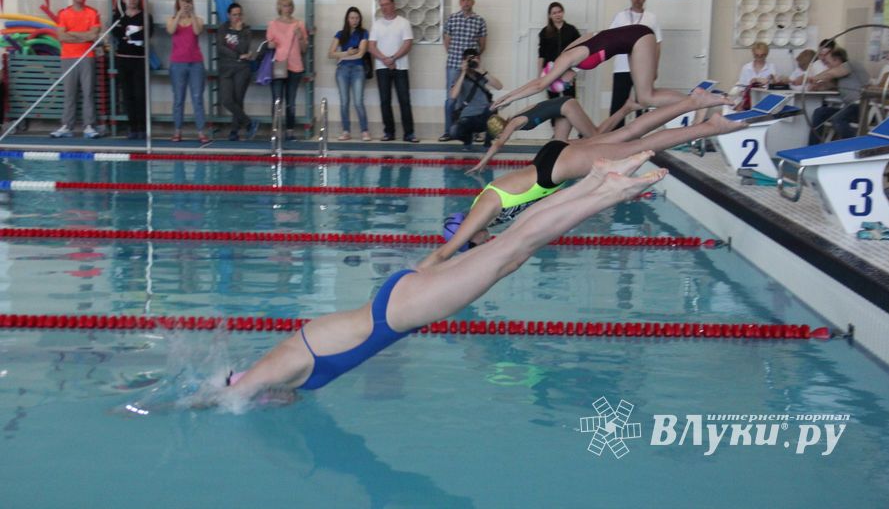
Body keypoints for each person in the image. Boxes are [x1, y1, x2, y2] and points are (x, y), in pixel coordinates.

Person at [222, 154, 668, 399]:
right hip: (397, 304)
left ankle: (607, 192)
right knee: (508, 251)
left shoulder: (272, 368)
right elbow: (271, 396)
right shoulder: (282, 376)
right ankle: (592, 182)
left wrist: (177, 405)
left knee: (510, 249)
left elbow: (226, 398)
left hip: (396, 313)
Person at [421, 88, 739, 266]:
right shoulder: (486, 218)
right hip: (552, 159)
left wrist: (418, 274)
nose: (478, 246)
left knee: (638, 145)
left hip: (556, 167)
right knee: (630, 132)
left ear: (466, 232)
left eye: (471, 245)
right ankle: (693, 102)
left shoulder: (483, 209)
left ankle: (708, 127)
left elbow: (444, 253)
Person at [491, 24, 686, 112]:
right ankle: (693, 103)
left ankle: (695, 102)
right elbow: (598, 35)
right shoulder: (570, 57)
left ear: (559, 76)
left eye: (563, 83)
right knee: (639, 98)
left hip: (639, 38)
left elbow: (539, 85)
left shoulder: (567, 58)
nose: (568, 84)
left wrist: (507, 99)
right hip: (634, 39)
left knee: (646, 97)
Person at [470, 96, 621, 174]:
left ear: (500, 131)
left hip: (566, 106)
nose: (501, 137)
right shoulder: (515, 117)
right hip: (560, 110)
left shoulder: (512, 124)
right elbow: (538, 107)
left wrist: (482, 162)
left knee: (595, 135)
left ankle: (626, 108)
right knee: (560, 146)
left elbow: (499, 144)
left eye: (499, 135)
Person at [51, 0, 102, 139]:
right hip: (68, 57)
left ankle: (89, 126)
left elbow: (93, 36)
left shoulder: (93, 13)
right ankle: (67, 125)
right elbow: (61, 36)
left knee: (88, 93)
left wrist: (72, 34)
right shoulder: (64, 14)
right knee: (70, 94)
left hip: (87, 56)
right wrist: (83, 35)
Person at [607, 0, 662, 126]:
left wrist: (654, 68)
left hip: (644, 70)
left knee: (643, 104)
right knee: (618, 105)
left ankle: (639, 138)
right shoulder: (621, 17)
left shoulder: (651, 18)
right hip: (622, 68)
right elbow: (610, 38)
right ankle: (614, 140)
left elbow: (657, 44)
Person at [369, 0, 417, 142]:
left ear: (393, 5)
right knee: (385, 101)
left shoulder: (403, 23)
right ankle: (389, 132)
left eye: (386, 4)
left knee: (404, 100)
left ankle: (409, 133)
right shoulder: (376, 24)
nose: (384, 8)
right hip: (382, 67)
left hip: (400, 67)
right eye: (381, 5)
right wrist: (385, 59)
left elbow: (408, 44)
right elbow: (371, 46)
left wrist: (393, 58)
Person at [440, 0, 487, 141]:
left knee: (470, 100)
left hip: (472, 69)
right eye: (463, 0)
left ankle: (470, 131)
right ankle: (448, 131)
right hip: (454, 65)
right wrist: (457, 57)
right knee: (451, 99)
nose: (466, 2)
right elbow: (447, 42)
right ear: (460, 2)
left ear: (473, 2)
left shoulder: (480, 21)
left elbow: (482, 45)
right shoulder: (452, 19)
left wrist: (472, 62)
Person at [166, 0, 209, 144]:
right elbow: (171, 30)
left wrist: (191, 14)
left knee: (197, 98)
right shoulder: (171, 19)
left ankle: (201, 131)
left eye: (188, 0)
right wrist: (179, 14)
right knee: (179, 99)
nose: (186, 2)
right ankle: (177, 131)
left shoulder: (198, 19)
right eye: (183, 0)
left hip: (195, 63)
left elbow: (197, 31)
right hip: (177, 64)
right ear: (178, 2)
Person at [267, 0, 309, 142]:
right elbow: (269, 44)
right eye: (285, 5)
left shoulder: (299, 24)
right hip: (279, 64)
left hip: (295, 66)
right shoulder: (272, 24)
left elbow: (304, 49)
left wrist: (300, 37)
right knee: (277, 100)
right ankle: (276, 131)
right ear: (280, 7)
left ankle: (290, 131)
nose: (288, 8)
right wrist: (270, 45)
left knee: (291, 101)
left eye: (290, 5)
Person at [808, 47, 870, 144]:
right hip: (850, 108)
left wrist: (815, 78)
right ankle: (812, 148)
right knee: (820, 112)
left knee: (838, 119)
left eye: (828, 63)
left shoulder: (851, 65)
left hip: (862, 107)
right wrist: (815, 86)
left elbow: (830, 74)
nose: (827, 66)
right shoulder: (840, 77)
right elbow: (826, 85)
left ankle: (854, 146)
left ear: (836, 59)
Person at [111, 0, 150, 139]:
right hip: (123, 59)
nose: (132, 0)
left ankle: (142, 126)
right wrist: (135, 31)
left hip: (139, 60)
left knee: (140, 95)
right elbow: (117, 34)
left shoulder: (145, 16)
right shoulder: (118, 18)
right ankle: (132, 126)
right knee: (128, 95)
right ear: (124, 0)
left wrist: (129, 33)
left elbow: (146, 35)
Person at [217, 3, 258, 142]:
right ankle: (249, 123)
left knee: (238, 100)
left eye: (239, 14)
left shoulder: (246, 30)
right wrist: (238, 56)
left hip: (242, 69)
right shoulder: (223, 28)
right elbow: (221, 48)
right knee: (227, 100)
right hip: (226, 69)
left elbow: (243, 48)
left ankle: (234, 131)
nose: (237, 17)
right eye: (234, 15)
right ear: (229, 15)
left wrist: (238, 32)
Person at [328, 6, 370, 141]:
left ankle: (364, 131)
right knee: (344, 102)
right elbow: (330, 54)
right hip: (342, 71)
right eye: (352, 18)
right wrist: (346, 53)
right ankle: (346, 131)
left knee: (358, 101)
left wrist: (341, 56)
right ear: (347, 19)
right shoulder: (340, 34)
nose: (354, 20)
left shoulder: (364, 33)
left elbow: (361, 54)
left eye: (357, 18)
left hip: (358, 69)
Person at [448, 48, 502, 150]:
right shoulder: (458, 75)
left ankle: (488, 142)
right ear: (464, 60)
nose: (472, 62)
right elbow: (453, 96)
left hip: (484, 115)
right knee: (453, 132)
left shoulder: (481, 74)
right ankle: (468, 139)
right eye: (469, 60)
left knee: (494, 107)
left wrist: (481, 70)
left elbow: (499, 86)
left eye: (475, 59)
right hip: (467, 117)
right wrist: (463, 73)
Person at [538, 2, 581, 100]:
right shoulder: (544, 32)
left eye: (559, 12)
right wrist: (540, 75)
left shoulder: (572, 30)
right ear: (550, 15)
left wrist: (575, 71)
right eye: (554, 13)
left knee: (570, 100)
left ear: (563, 12)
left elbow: (580, 51)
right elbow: (541, 54)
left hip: (568, 70)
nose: (557, 15)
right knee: (552, 102)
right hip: (550, 71)